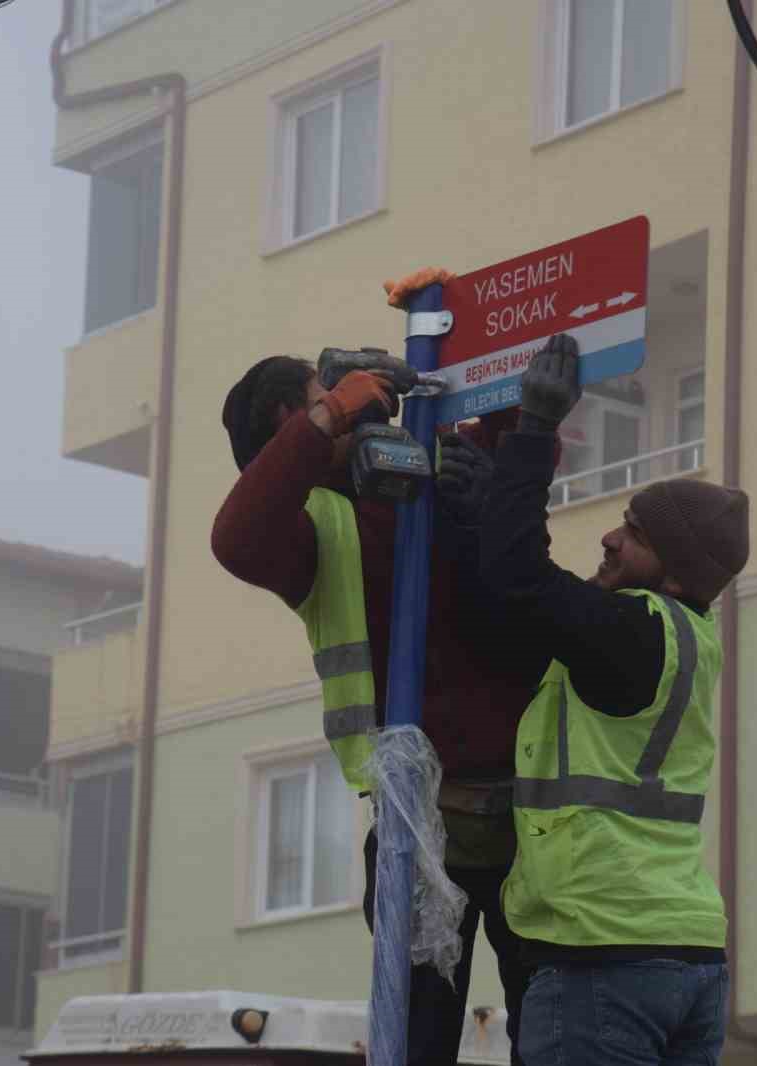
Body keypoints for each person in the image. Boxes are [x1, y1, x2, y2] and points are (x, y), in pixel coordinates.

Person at [212, 339, 549, 1066]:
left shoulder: (417, 465)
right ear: (292, 422)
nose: (358, 404)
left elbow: (520, 478)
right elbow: (235, 537)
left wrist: (498, 462)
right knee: (416, 1043)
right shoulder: (312, 527)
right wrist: (332, 417)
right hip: (421, 827)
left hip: (535, 816)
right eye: (325, 396)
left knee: (553, 1039)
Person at [440, 334, 748, 1066]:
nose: (610, 537)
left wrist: (534, 430)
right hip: (686, 954)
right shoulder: (680, 637)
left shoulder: (631, 632)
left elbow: (523, 580)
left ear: (676, 575)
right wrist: (490, 503)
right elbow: (532, 603)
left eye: (636, 534)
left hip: (604, 958)